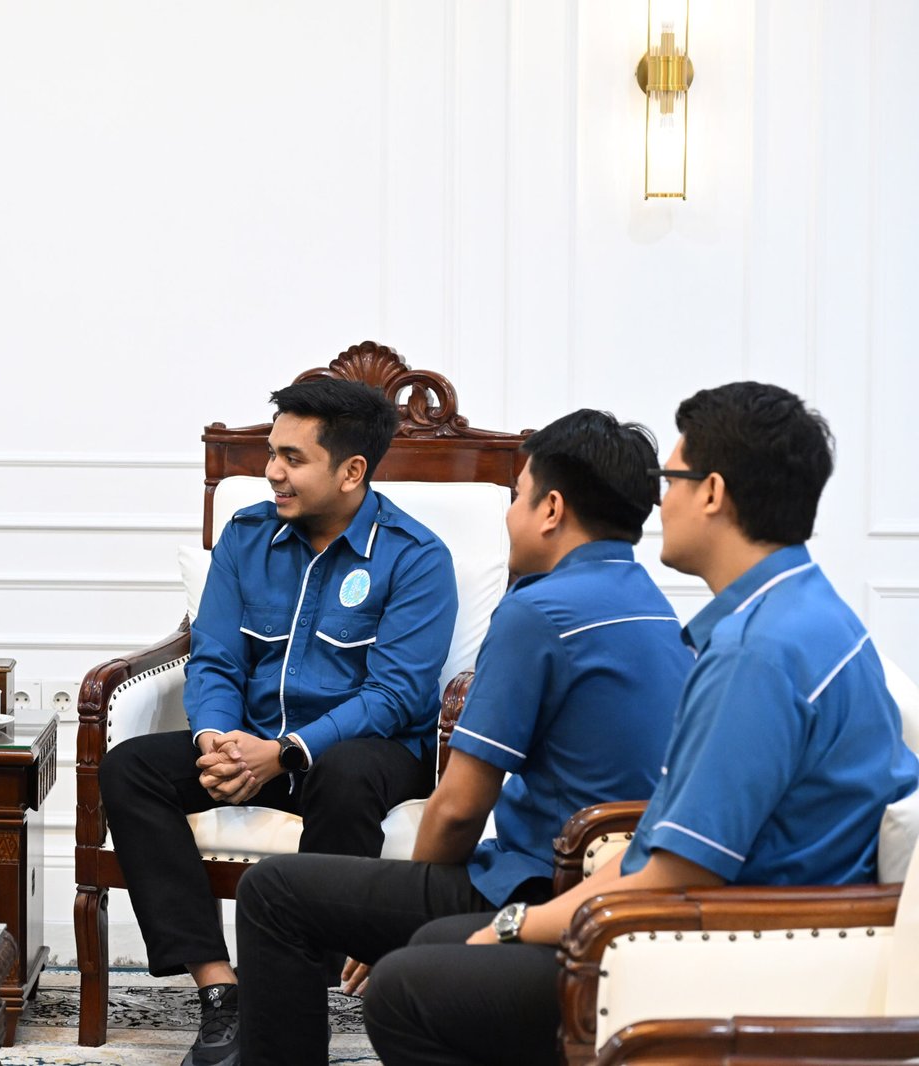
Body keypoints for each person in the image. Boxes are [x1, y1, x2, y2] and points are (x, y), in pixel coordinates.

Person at [360, 382, 919, 1066]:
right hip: (755, 923)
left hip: (737, 952)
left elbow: (676, 874)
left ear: (711, 493)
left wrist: (516, 923)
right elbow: (667, 845)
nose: (661, 502)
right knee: (434, 948)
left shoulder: (756, 654)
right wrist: (515, 924)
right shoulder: (810, 610)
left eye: (672, 480)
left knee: (406, 989)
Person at [232, 408, 692, 1065]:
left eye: (519, 496)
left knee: (272, 892)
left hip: (542, 883)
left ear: (551, 509)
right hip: (606, 879)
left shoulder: (539, 610)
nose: (510, 515)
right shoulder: (651, 604)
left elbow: (457, 808)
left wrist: (387, 919)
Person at [99, 377, 458, 1066]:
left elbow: (395, 696)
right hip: (252, 743)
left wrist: (287, 752)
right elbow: (214, 658)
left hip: (361, 752)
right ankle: (220, 991)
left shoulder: (416, 558)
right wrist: (217, 741)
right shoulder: (248, 535)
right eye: (272, 452)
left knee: (347, 775)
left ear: (351, 471)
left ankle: (295, 1002)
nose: (272, 472)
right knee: (130, 769)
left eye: (293, 458)